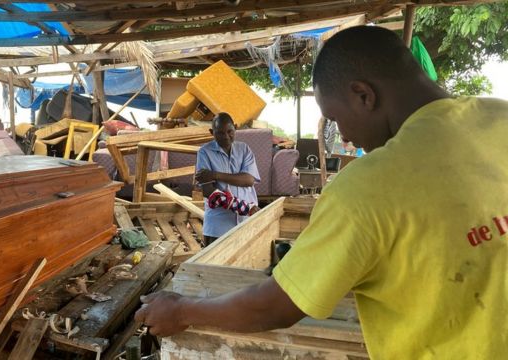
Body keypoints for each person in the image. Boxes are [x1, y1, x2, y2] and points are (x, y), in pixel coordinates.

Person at [135, 26, 508, 359]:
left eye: (336, 118)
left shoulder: (369, 186)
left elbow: (277, 306)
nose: (343, 136)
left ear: (364, 95)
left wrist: (182, 309)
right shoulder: (501, 117)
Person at [194, 112, 260, 246]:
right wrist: (245, 208)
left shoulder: (244, 149)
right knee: (214, 265)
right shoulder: (204, 152)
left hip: (246, 221)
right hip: (218, 226)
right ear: (212, 132)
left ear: (235, 128)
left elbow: (248, 180)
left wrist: (215, 175)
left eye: (230, 131)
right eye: (220, 133)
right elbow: (209, 192)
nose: (226, 137)